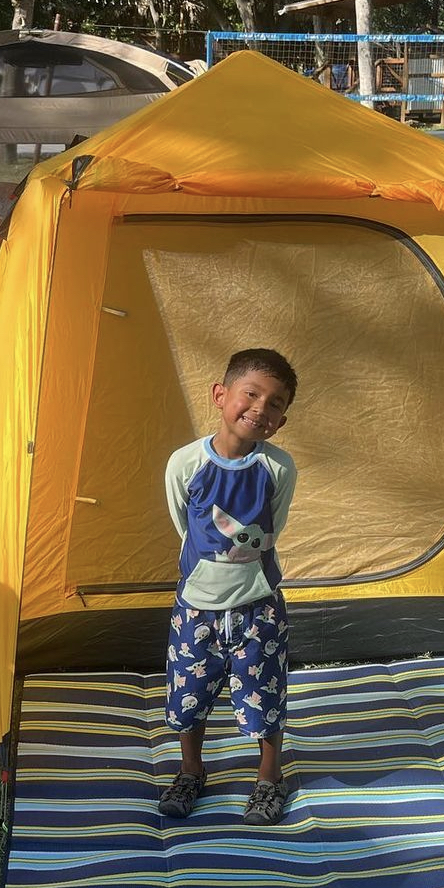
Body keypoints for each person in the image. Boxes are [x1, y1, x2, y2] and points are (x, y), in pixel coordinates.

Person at [159, 348, 299, 826]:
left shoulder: (278, 469)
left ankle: (268, 776)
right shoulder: (185, 463)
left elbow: (271, 531)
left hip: (257, 605)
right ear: (221, 396)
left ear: (281, 420)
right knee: (189, 693)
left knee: (266, 691)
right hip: (196, 607)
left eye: (276, 403)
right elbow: (184, 523)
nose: (262, 408)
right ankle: (191, 768)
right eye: (252, 394)